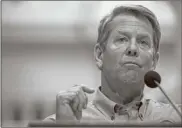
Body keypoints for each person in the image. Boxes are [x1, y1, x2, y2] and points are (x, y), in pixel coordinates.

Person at [43, 5, 181, 124]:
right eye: (122, 39)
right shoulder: (62, 122)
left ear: (154, 62)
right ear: (99, 55)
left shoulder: (176, 118)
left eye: (143, 42)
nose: (133, 48)